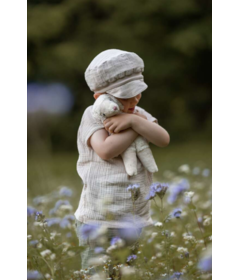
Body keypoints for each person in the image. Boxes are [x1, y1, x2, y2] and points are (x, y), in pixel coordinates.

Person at [74, 49, 170, 272]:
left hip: (133, 215)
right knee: (97, 273)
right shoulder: (93, 115)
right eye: (125, 96)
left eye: (137, 93)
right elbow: (105, 150)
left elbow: (163, 139)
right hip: (98, 219)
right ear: (100, 97)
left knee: (126, 271)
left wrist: (135, 121)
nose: (134, 100)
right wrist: (135, 127)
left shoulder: (137, 113)